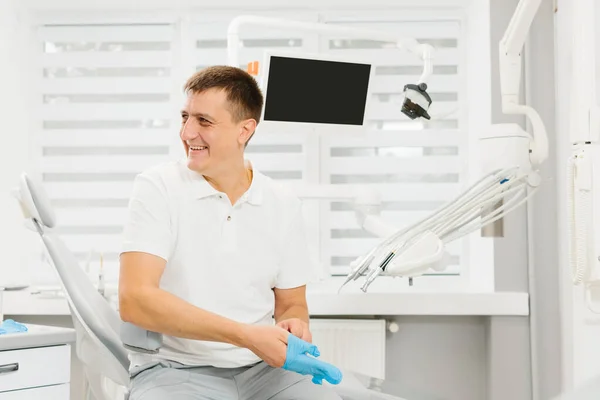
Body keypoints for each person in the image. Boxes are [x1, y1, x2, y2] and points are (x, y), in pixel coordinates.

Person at [118, 65, 342, 399]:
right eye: (185, 117)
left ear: (244, 130)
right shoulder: (158, 187)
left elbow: (293, 303)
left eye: (203, 121)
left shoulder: (282, 203)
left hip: (266, 371)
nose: (187, 133)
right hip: (175, 370)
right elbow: (135, 301)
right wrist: (247, 336)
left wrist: (294, 326)